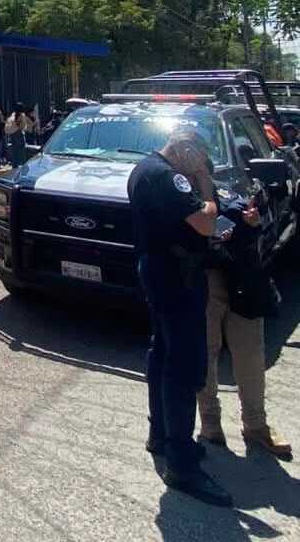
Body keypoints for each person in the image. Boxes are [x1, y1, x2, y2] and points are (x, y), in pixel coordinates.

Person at [127, 128, 231, 507]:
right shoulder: (168, 176)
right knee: (183, 366)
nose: (200, 166)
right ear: (185, 148)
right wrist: (206, 188)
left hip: (158, 270)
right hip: (177, 277)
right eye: (199, 157)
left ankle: (161, 435)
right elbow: (205, 222)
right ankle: (181, 462)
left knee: (162, 353)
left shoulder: (144, 168)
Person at [197, 192, 292, 459]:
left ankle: (256, 425)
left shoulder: (228, 187)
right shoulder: (176, 186)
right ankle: (210, 423)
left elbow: (255, 223)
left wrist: (251, 223)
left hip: (243, 276)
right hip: (204, 279)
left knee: (250, 353)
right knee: (207, 351)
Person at [4, 102, 29, 168]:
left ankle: (14, 167)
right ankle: (23, 167)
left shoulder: (12, 115)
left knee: (14, 152)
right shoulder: (22, 115)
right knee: (22, 152)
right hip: (19, 134)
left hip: (13, 135)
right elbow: (23, 126)